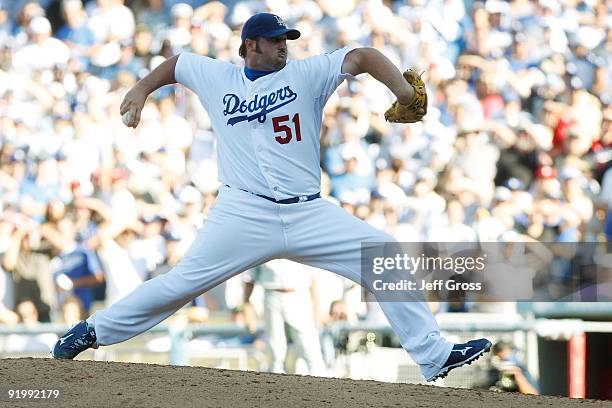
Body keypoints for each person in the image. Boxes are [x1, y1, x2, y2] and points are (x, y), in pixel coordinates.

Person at [52, 12, 491, 382]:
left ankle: (434, 357)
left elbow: (363, 56)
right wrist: (140, 89)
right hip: (242, 212)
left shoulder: (307, 73)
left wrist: (402, 91)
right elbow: (178, 64)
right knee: (181, 283)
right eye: (275, 40)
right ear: (250, 46)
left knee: (384, 255)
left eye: (287, 40)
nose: (284, 46)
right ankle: (91, 332)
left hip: (308, 212)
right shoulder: (217, 75)